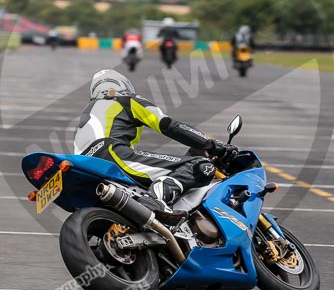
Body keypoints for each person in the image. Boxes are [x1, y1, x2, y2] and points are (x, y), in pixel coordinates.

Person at [73, 70, 237, 218]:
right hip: (110, 154)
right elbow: (168, 125)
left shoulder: (89, 112)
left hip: (82, 165)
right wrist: (210, 145)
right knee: (201, 166)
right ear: (123, 86)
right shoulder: (125, 100)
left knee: (175, 169)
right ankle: (155, 199)